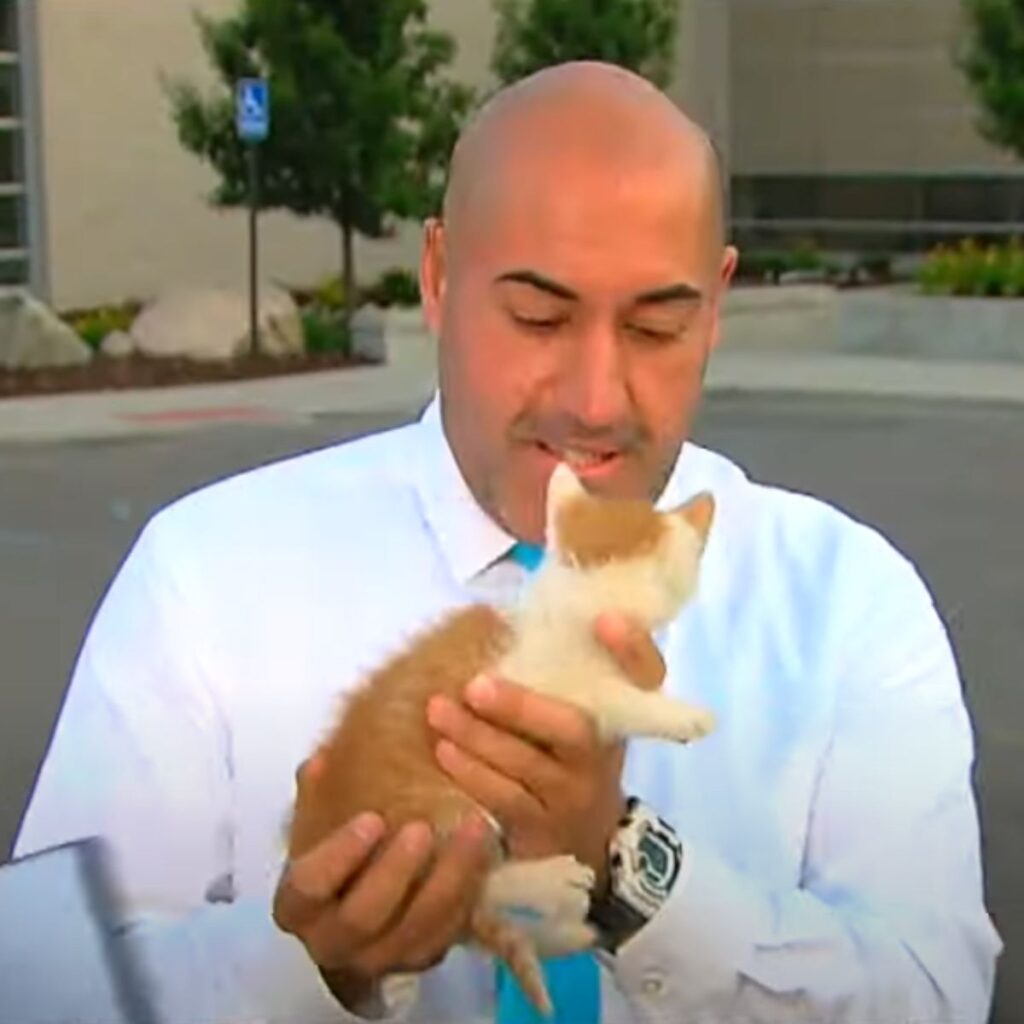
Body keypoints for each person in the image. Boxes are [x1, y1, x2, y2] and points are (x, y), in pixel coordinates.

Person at [13, 61, 1001, 1024]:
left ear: (716, 304)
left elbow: (935, 993)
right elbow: (40, 983)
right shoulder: (208, 576)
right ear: (438, 279)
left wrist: (628, 872)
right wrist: (303, 969)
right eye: (537, 315)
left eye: (658, 327)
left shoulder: (847, 600)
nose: (595, 400)